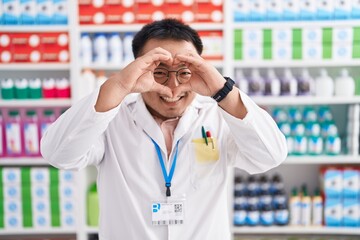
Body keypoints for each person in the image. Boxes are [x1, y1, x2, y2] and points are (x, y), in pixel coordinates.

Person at [41, 19, 287, 240]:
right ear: (138, 68)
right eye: (159, 72)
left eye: (184, 72)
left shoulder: (219, 116)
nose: (173, 86)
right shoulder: (111, 118)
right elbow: (59, 155)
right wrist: (117, 85)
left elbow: (270, 155)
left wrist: (222, 90)